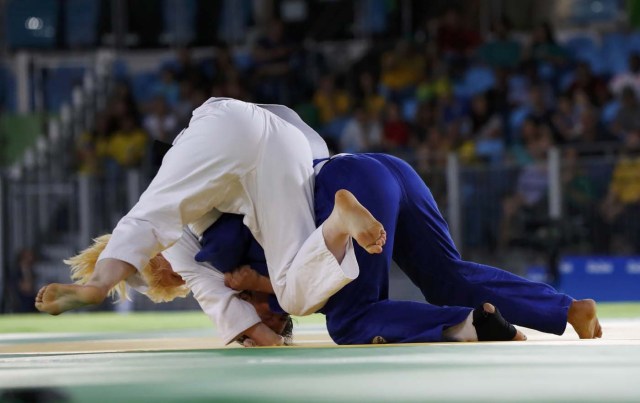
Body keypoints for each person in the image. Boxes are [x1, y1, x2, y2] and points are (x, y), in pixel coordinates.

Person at [35, 97, 386, 323]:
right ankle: (341, 219)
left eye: (173, 280)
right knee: (292, 287)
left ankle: (98, 284)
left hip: (271, 145)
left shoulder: (180, 249)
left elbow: (222, 305)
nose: (181, 282)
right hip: (275, 137)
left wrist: (260, 332)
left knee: (293, 292)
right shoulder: (189, 204)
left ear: (156, 263)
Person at [198, 153, 601, 345]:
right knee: (448, 278)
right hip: (391, 170)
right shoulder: (281, 285)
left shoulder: (234, 250)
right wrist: (260, 285)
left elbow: (225, 243)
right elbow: (297, 290)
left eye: (264, 317)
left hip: (348, 182)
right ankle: (568, 309)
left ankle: (471, 324)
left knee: (351, 319)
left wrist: (244, 275)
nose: (269, 318)